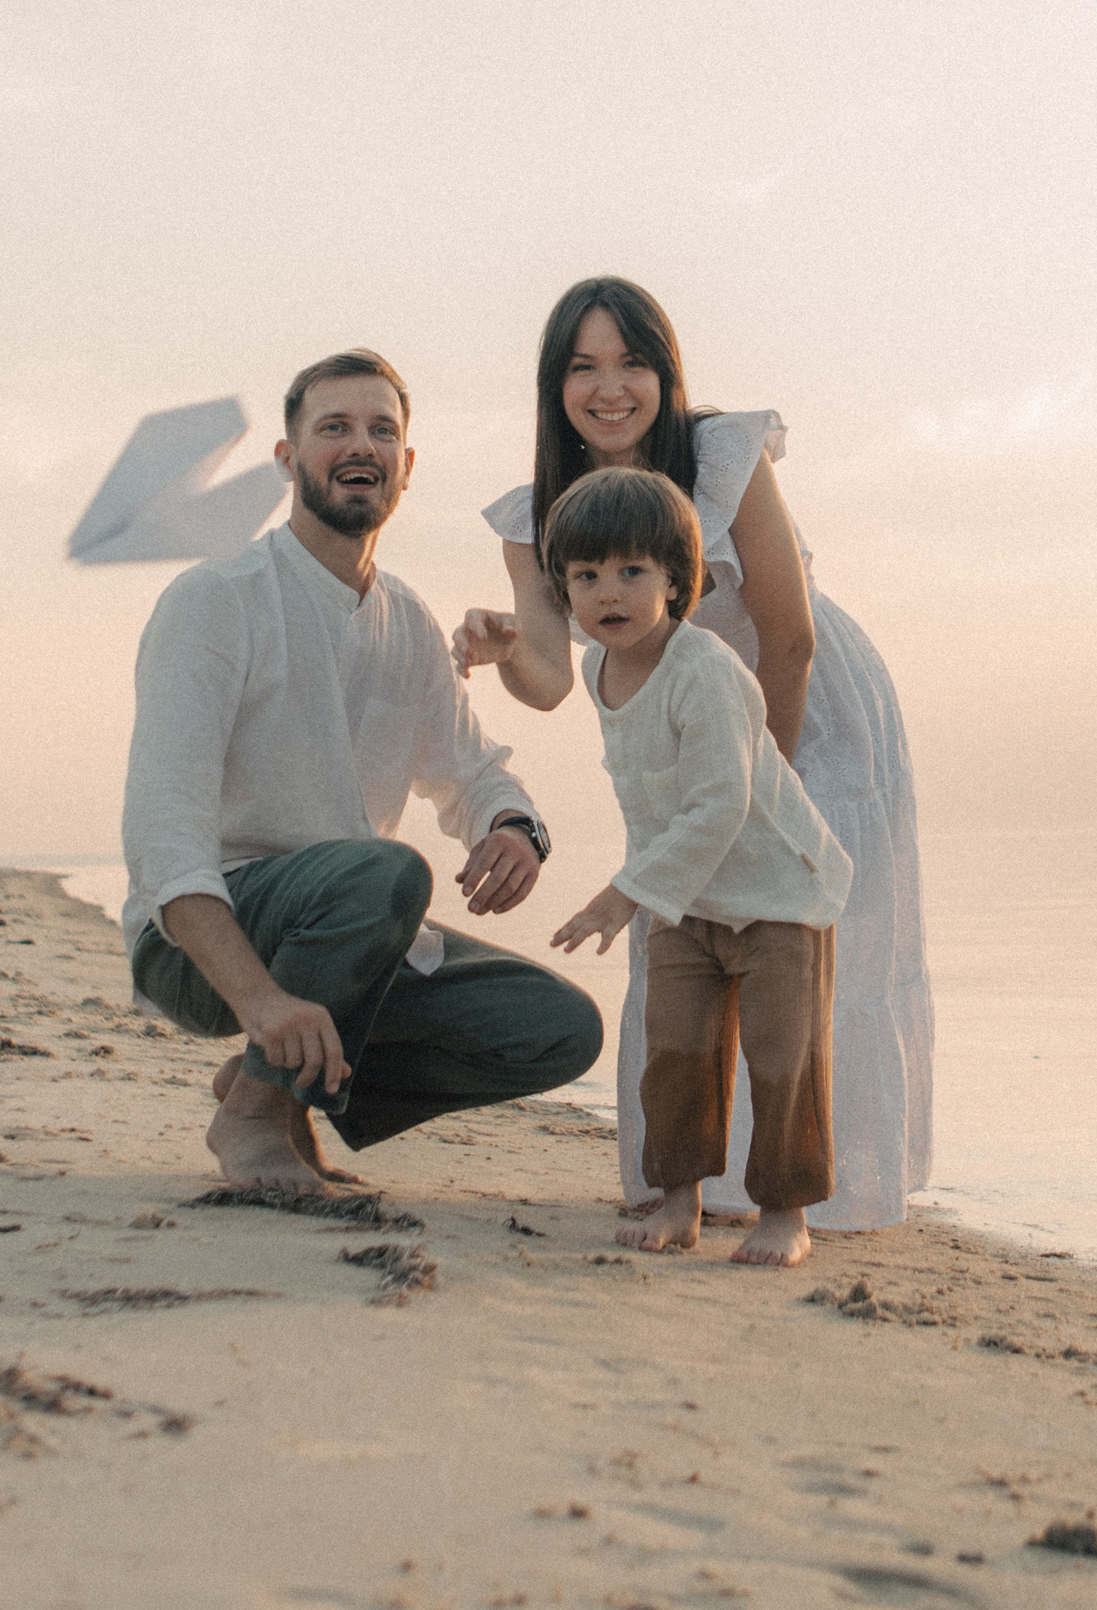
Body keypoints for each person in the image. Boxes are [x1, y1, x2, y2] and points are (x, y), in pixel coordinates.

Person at [458, 276, 932, 1233]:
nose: (611, 388)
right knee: (685, 952)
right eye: (583, 367)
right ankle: (695, 1185)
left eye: (633, 362)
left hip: (805, 708)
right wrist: (506, 651)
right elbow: (551, 678)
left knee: (798, 943)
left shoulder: (722, 454)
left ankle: (813, 1198)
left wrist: (774, 789)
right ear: (555, 386)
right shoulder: (538, 513)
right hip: (674, 740)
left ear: (666, 373)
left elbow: (786, 634)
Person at [122, 348, 602, 1194]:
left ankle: (273, 1084)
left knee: (557, 1028)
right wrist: (261, 1005)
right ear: (287, 458)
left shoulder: (407, 621)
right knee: (383, 874)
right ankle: (257, 1120)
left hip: (351, 927)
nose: (361, 445)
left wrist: (514, 827)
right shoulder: (215, 600)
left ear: (406, 468)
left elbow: (473, 771)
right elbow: (165, 842)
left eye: (383, 431)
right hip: (203, 941)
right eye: (333, 427)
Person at [544, 466, 850, 1268]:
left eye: (632, 572)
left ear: (679, 583)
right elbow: (650, 799)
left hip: (780, 891)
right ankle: (679, 1200)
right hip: (685, 898)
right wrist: (648, 890)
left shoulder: (706, 668)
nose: (608, 592)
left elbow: (720, 802)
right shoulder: (597, 671)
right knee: (673, 1047)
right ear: (565, 591)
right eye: (586, 576)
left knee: (784, 1055)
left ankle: (785, 1213)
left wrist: (622, 896)